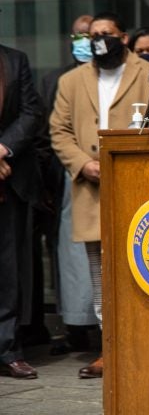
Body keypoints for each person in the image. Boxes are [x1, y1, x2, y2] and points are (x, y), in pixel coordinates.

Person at [49, 11, 149, 379]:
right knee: (102, 276)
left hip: (139, 190)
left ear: (123, 38)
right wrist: (82, 164)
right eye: (94, 35)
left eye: (107, 33)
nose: (100, 39)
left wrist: (129, 166)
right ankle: (111, 350)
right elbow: (58, 131)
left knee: (145, 269)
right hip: (92, 190)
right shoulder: (71, 81)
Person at [38, 15, 100, 354]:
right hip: (68, 177)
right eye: (77, 35)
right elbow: (48, 135)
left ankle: (105, 332)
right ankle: (75, 329)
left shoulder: (112, 74)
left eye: (89, 35)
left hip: (104, 174)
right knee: (70, 257)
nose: (84, 40)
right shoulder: (55, 80)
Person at [0, 40, 43, 380]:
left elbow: (31, 112)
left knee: (9, 268)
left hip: (8, 179)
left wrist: (3, 149)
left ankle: (8, 349)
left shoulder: (15, 60)